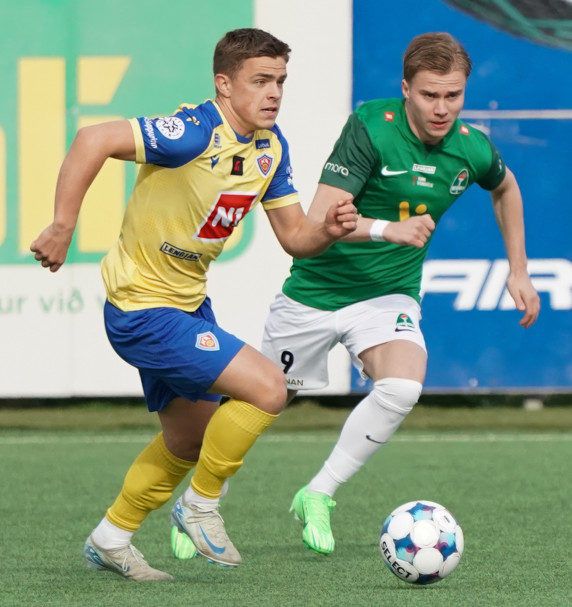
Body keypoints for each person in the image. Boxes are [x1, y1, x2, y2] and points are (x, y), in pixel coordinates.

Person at [30, 28, 357, 581]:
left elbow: (295, 238)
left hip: (187, 307)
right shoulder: (193, 133)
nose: (274, 93)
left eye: (280, 81)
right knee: (269, 388)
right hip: (142, 309)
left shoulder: (270, 148)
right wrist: (63, 225)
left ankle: (111, 537)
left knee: (188, 439)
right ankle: (200, 506)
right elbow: (91, 138)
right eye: (260, 81)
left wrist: (328, 229)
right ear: (224, 85)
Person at [260, 32, 541, 555]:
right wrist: (389, 230)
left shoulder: (472, 146)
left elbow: (505, 187)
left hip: (388, 295)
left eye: (453, 95)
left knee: (403, 387)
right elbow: (319, 221)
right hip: (316, 292)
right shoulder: (371, 126)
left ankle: (318, 493)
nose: (442, 108)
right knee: (263, 403)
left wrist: (519, 271)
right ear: (406, 88)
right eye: (430, 95)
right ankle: (201, 500)